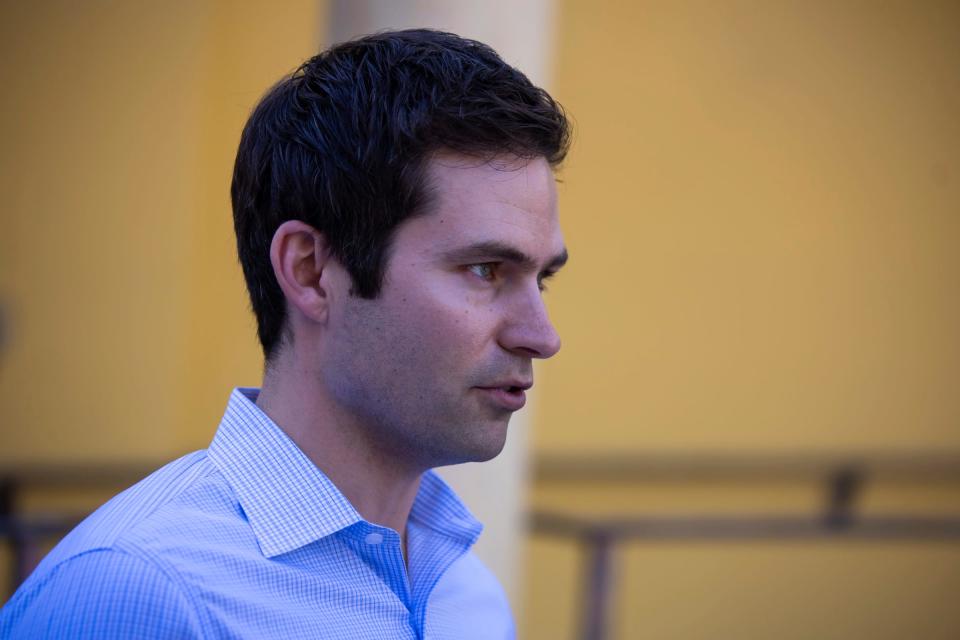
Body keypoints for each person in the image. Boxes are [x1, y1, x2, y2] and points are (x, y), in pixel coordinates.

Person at [0, 28, 570, 639]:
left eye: (543, 278)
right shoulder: (140, 590)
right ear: (311, 271)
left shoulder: (466, 597)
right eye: (485, 270)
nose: (542, 335)